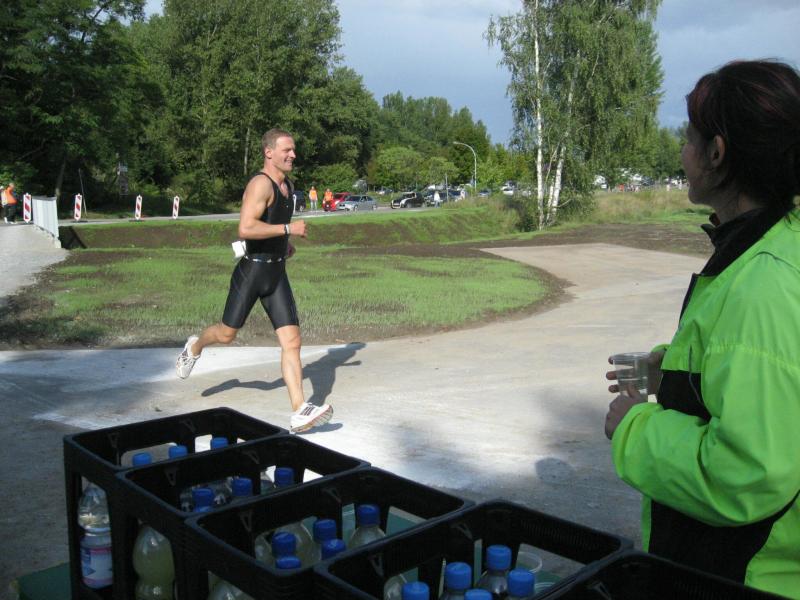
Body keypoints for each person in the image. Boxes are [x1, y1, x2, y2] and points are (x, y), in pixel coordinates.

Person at [604, 60, 800, 598]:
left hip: (749, 576)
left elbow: (746, 472)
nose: (682, 153)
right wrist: (672, 372)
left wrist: (634, 428)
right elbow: (759, 374)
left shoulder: (764, 283)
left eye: (690, 139)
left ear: (717, 153)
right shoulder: (776, 243)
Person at [176, 128, 332, 433]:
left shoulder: (288, 186)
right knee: (226, 334)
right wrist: (287, 230)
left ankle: (299, 409)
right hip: (252, 273)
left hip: (276, 273)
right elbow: (246, 228)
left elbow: (268, 224)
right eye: (287, 150)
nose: (293, 155)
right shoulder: (260, 184)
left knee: (292, 342)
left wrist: (284, 244)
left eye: (294, 149)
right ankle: (195, 346)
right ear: (269, 152)